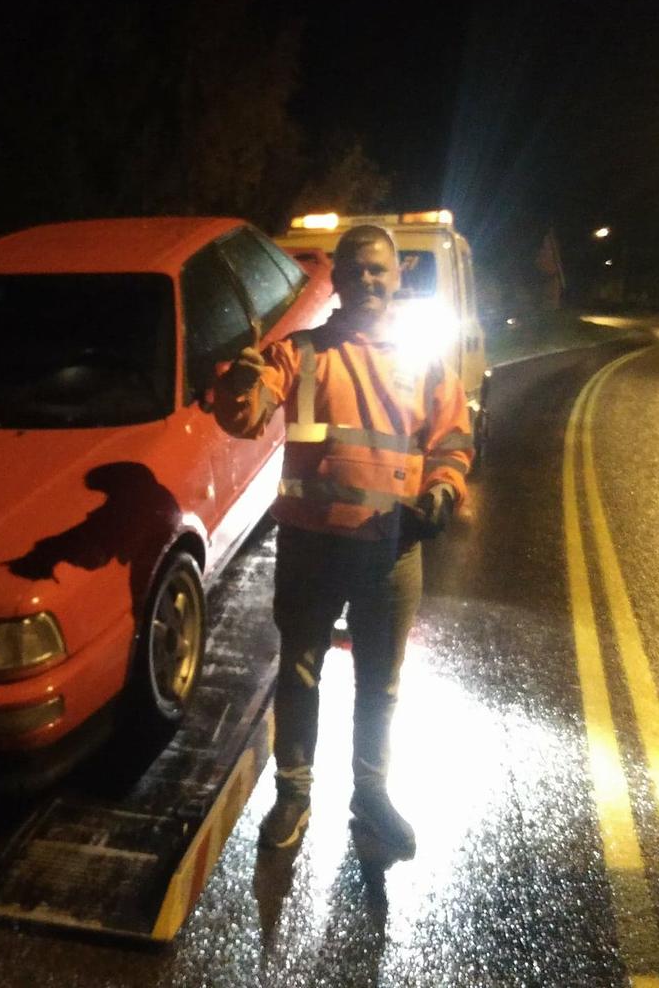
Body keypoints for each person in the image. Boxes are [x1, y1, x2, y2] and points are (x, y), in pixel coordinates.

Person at [213, 223, 473, 857]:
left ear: (398, 275)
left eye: (378, 269)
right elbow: (244, 417)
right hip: (312, 546)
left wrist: (443, 490)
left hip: (391, 548)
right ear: (335, 280)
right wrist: (239, 383)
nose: (367, 280)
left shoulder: (422, 357)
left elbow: (451, 438)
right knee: (300, 673)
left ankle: (371, 795)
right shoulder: (298, 354)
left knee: (379, 683)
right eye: (354, 270)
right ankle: (293, 794)